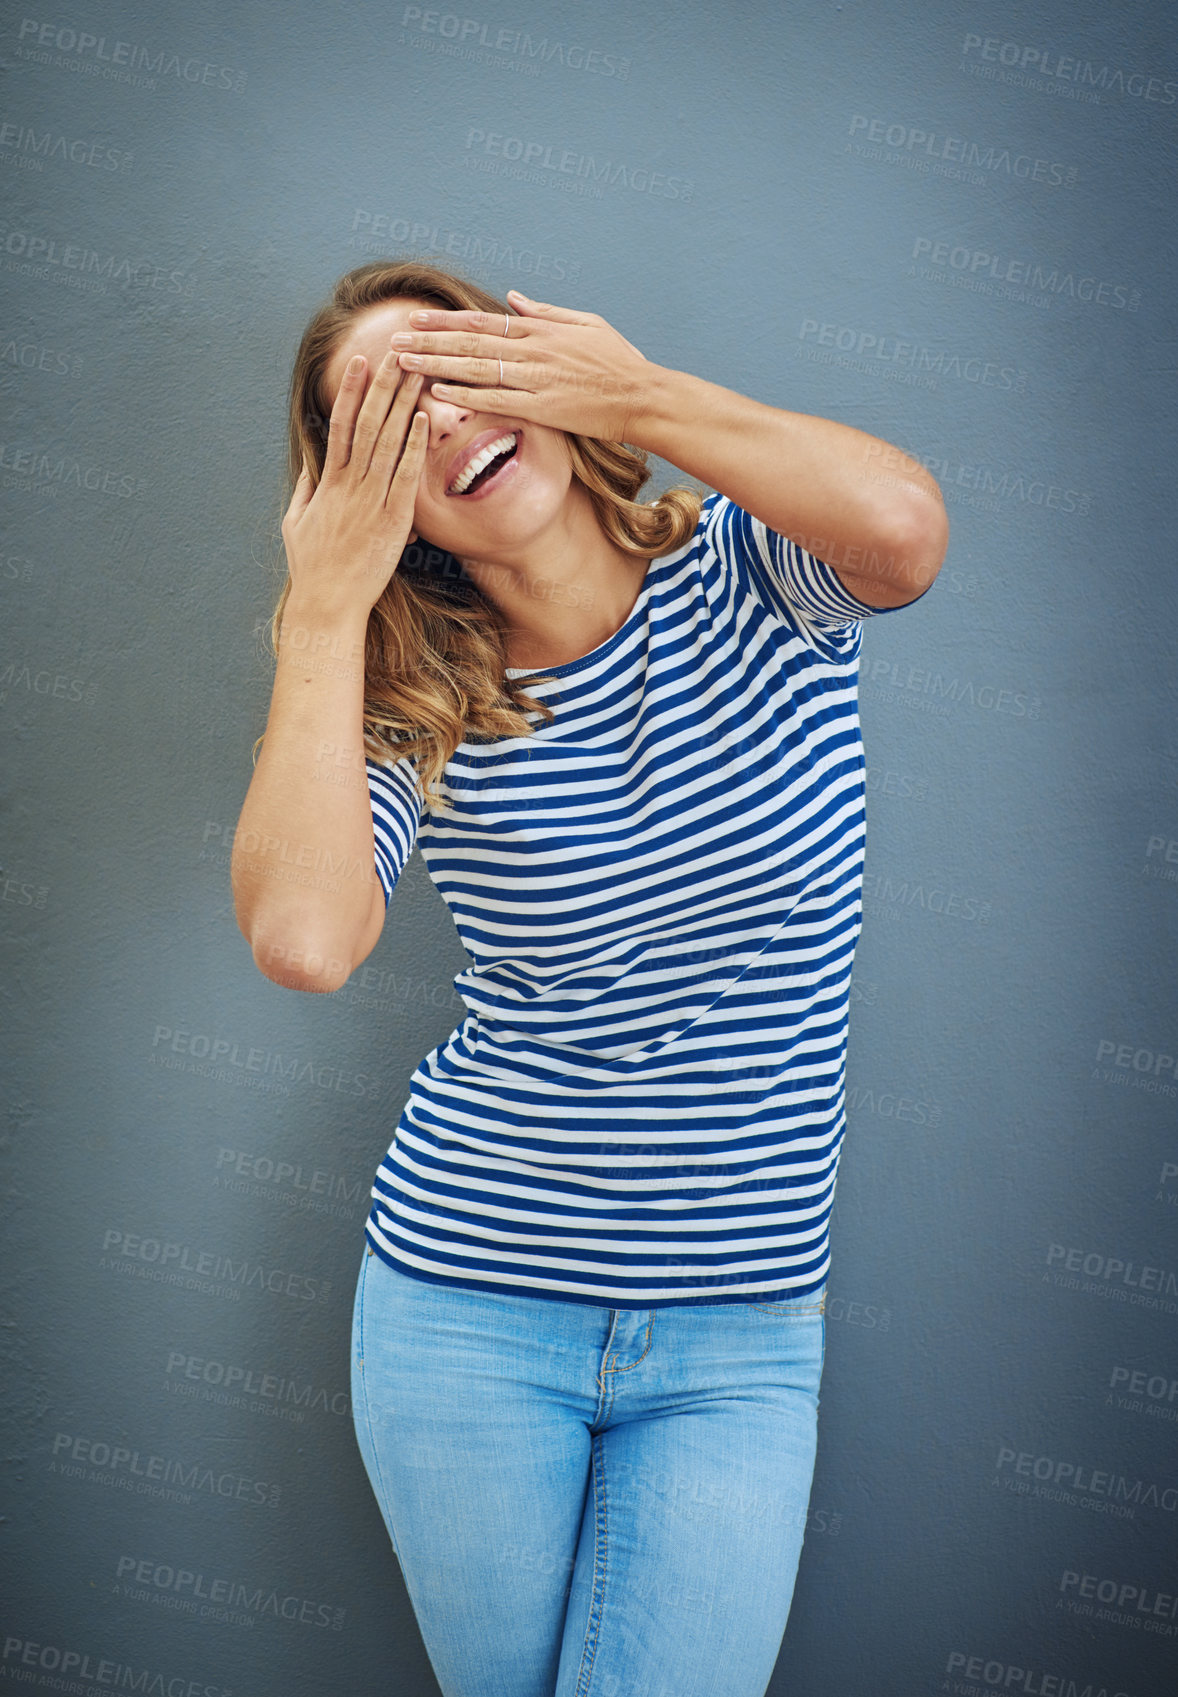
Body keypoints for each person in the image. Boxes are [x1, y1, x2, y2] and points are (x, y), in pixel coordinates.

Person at [231, 258, 948, 1697]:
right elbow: (305, 940)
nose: (438, 426)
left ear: (538, 377)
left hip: (738, 1335)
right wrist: (321, 612)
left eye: (458, 375)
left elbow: (907, 534)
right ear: (366, 494)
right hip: (464, 1315)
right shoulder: (407, 699)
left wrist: (642, 394)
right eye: (384, 418)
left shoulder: (754, 572)